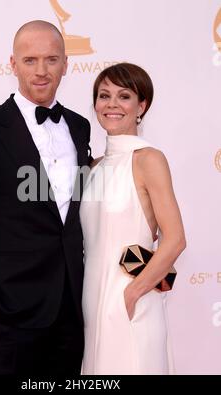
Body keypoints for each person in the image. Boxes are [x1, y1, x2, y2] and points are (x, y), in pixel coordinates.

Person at [0, 20, 92, 375]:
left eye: (51, 60)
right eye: (30, 60)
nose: (41, 71)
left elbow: (76, 210)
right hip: (9, 309)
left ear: (66, 64)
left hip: (72, 305)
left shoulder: (79, 126)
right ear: (13, 64)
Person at [80, 63, 186, 374]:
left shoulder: (149, 159)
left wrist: (133, 293)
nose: (111, 104)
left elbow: (176, 238)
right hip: (90, 303)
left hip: (131, 302)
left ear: (142, 106)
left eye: (123, 96)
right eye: (104, 95)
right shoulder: (93, 167)